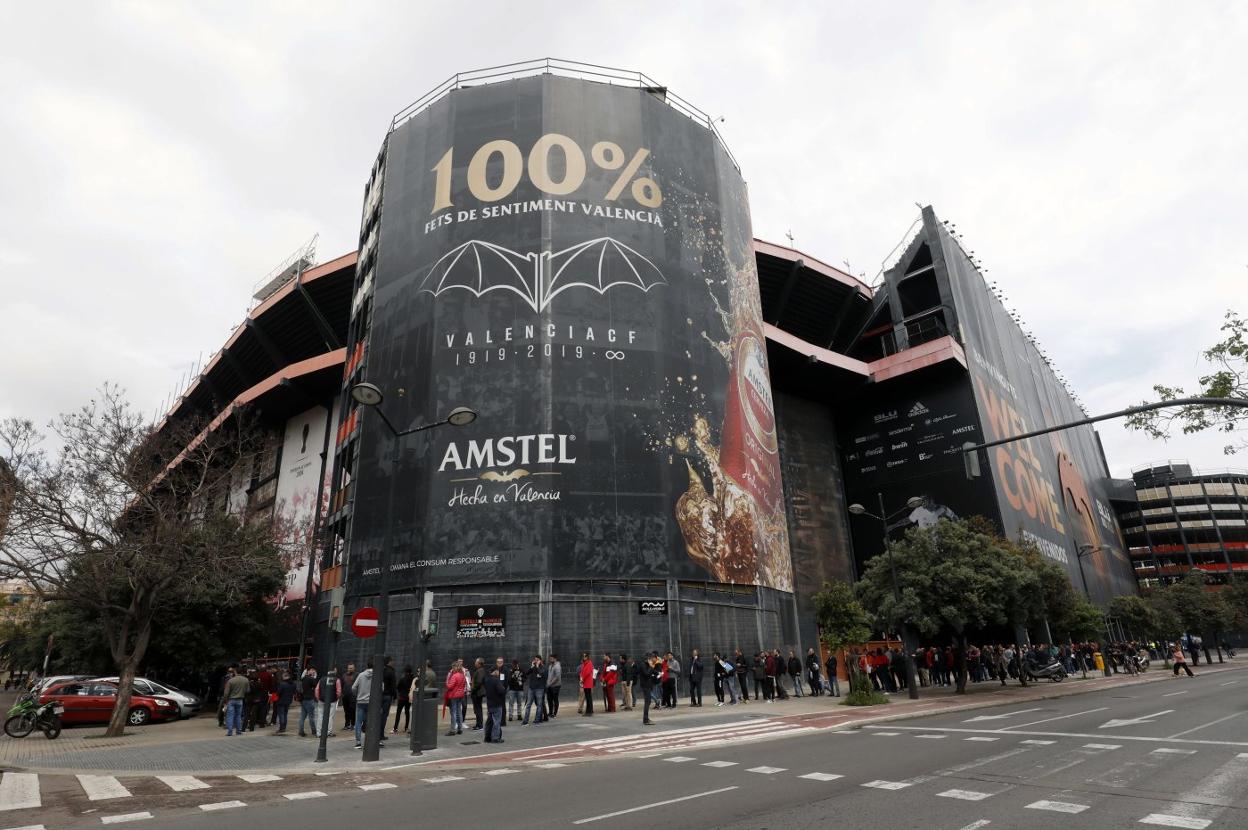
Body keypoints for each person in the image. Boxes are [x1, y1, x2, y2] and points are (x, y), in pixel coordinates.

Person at [483, 661, 507, 744]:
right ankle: (495, 738)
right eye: (498, 671)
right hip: (497, 703)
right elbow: (501, 691)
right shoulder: (496, 681)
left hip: (490, 703)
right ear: (495, 671)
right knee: (497, 721)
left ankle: (487, 737)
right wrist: (504, 689)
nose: (499, 673)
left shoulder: (487, 680)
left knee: (489, 721)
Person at [444, 658, 468, 736]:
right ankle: (460, 728)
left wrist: (447, 682)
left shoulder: (454, 676)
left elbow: (450, 686)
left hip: (454, 696)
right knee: (459, 712)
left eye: (452, 667)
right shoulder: (462, 675)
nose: (452, 669)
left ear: (455, 667)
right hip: (461, 695)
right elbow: (464, 685)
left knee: (453, 712)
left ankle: (453, 730)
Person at [352, 661, 373, 748]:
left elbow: (353, 687)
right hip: (371, 702)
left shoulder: (361, 675)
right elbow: (382, 688)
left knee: (358, 722)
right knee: (370, 722)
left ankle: (358, 742)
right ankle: (369, 740)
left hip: (360, 701)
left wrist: (357, 695)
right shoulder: (377, 675)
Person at [224, 666, 248, 737]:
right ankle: (238, 730)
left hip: (231, 700)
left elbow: (226, 693)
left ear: (235, 672)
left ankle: (230, 731)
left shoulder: (231, 681)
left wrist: (225, 701)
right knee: (238, 716)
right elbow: (247, 690)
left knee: (230, 715)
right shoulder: (246, 680)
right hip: (240, 700)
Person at [522, 655, 546, 725]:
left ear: (540, 660)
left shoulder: (543, 667)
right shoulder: (533, 667)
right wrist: (531, 667)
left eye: (537, 660)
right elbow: (526, 673)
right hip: (531, 688)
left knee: (539, 705)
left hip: (539, 689)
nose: (536, 661)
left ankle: (537, 720)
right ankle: (525, 721)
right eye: (535, 660)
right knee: (528, 705)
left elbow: (541, 673)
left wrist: (538, 666)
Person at [639, 653, 660, 725]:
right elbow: (647, 673)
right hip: (645, 686)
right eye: (651, 659)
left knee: (648, 702)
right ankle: (645, 719)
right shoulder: (642, 665)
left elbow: (653, 671)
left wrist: (659, 673)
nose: (652, 661)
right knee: (647, 702)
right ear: (648, 659)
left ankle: (646, 718)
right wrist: (651, 666)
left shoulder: (646, 665)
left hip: (648, 685)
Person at [297, 666, 318, 737]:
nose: (313, 672)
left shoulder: (303, 678)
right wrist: (314, 677)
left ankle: (301, 731)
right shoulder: (311, 679)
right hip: (309, 699)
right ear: (309, 671)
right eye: (313, 670)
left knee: (302, 716)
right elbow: (316, 686)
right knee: (311, 717)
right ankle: (314, 731)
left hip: (303, 699)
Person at [393, 665, 413, 734]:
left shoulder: (402, 679)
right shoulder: (413, 679)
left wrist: (400, 692)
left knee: (398, 712)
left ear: (405, 672)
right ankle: (406, 727)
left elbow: (398, 687)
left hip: (402, 698)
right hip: (408, 698)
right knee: (407, 712)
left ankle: (395, 728)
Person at [340, 662, 357, 732]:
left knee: (353, 710)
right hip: (345, 697)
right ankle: (347, 725)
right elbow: (341, 685)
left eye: (351, 668)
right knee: (346, 711)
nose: (350, 669)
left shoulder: (357, 675)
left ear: (354, 668)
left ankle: (353, 724)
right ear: (347, 668)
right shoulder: (344, 675)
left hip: (353, 696)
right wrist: (342, 694)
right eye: (349, 668)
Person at [471, 657, 487, 731]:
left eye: (476, 662)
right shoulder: (479, 670)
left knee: (478, 709)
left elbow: (479, 682)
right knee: (477, 709)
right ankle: (478, 724)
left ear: (479, 664)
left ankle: (480, 725)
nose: (475, 663)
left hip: (477, 693)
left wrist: (473, 688)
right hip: (477, 692)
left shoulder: (480, 671)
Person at [546, 654, 562, 719]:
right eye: (550, 658)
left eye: (551, 658)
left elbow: (557, 677)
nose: (550, 660)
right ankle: (550, 712)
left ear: (555, 659)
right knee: (549, 699)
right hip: (549, 686)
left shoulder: (557, 666)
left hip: (555, 686)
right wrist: (547, 683)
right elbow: (549, 676)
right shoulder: (550, 666)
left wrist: (550, 684)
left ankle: (554, 713)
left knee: (555, 700)